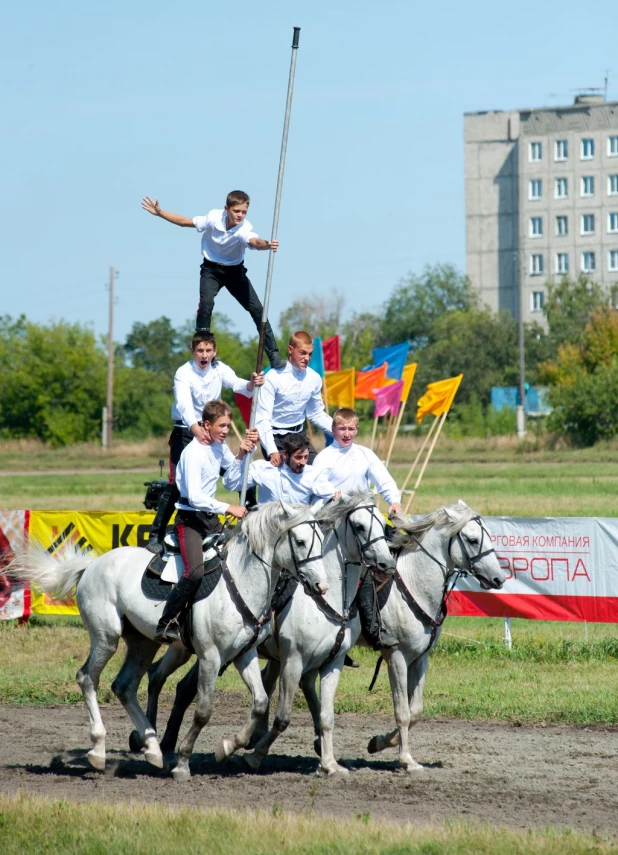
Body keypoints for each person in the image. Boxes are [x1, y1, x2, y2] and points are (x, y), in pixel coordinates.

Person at [146, 331, 263, 555]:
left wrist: (252, 383)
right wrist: (196, 429)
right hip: (187, 430)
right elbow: (184, 405)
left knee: (243, 472)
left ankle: (251, 522)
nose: (205, 355)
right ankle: (156, 534)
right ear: (193, 351)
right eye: (200, 350)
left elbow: (240, 386)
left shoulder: (219, 368)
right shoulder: (183, 373)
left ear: (214, 351)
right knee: (176, 484)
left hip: (213, 428)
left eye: (208, 350)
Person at [141, 190, 286, 369]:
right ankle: (203, 347)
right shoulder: (213, 218)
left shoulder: (244, 229)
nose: (240, 215)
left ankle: (273, 354)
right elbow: (186, 222)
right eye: (236, 211)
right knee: (206, 303)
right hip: (211, 270)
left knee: (257, 309)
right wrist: (160, 213)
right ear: (227, 209)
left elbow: (254, 241)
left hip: (235, 273)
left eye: (244, 212)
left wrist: (267, 245)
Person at [154, 400, 258, 644]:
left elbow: (231, 481)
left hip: (210, 519)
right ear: (207, 425)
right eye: (221, 426)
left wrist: (242, 454)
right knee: (195, 573)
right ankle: (167, 622)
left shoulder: (219, 447)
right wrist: (229, 507)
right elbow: (194, 496)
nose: (225, 430)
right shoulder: (192, 453)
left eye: (228, 426)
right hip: (190, 521)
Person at [255, 330, 333, 467]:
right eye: (302, 353)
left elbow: (315, 413)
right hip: (275, 437)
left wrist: (339, 430)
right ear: (290, 349)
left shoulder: (314, 378)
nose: (307, 358)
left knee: (318, 469)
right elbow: (262, 418)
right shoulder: (273, 377)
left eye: (310, 354)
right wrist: (272, 450)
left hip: (299, 435)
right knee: (282, 478)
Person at [311, 407, 403, 516]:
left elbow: (384, 480)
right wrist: (333, 494)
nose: (347, 434)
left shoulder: (366, 454)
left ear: (356, 430)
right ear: (333, 429)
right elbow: (317, 483)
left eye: (350, 429)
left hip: (364, 513)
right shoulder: (323, 457)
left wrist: (395, 501)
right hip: (334, 514)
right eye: (342, 428)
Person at [222, 432, 337, 505]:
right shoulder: (264, 469)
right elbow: (231, 484)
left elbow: (333, 496)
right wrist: (241, 456)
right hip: (267, 530)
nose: (303, 462)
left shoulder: (312, 474)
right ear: (285, 455)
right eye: (298, 457)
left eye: (306, 457)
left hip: (299, 533)